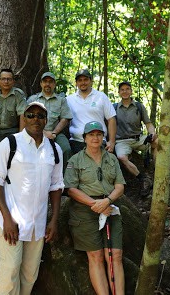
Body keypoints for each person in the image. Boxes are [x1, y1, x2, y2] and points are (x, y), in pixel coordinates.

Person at [0, 101, 64, 295]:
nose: (35, 119)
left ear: (46, 120)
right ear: (24, 118)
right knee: (10, 271)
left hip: (38, 224)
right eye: (30, 115)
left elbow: (56, 186)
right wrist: (6, 218)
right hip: (12, 222)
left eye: (40, 116)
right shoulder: (10, 143)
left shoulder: (54, 150)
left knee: (30, 275)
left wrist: (53, 220)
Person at [64, 121, 126, 295]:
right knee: (96, 256)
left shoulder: (112, 158)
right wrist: (95, 204)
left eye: (99, 134)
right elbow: (70, 189)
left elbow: (120, 186)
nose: (95, 138)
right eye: (91, 134)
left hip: (110, 207)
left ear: (103, 137)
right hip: (85, 210)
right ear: (84, 138)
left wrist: (107, 202)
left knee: (115, 255)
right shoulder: (75, 160)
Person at [114, 81, 158, 197]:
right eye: (122, 89)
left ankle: (156, 173)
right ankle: (142, 178)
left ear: (131, 91)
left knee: (157, 142)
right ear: (119, 92)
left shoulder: (139, 106)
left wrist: (152, 133)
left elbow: (148, 123)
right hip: (121, 140)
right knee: (121, 157)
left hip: (138, 138)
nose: (125, 91)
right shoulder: (114, 108)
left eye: (127, 89)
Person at [27, 71, 72, 167]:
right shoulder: (33, 99)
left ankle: (64, 179)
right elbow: (26, 118)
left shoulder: (61, 100)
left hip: (56, 133)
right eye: (45, 81)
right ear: (41, 83)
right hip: (35, 132)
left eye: (50, 81)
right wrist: (42, 132)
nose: (47, 84)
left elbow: (65, 119)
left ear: (54, 84)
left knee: (66, 149)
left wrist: (54, 133)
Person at [66, 69, 116, 155]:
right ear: (76, 83)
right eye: (80, 80)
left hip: (98, 141)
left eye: (86, 80)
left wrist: (111, 141)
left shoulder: (101, 96)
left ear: (91, 81)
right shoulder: (69, 99)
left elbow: (111, 119)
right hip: (76, 142)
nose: (83, 83)